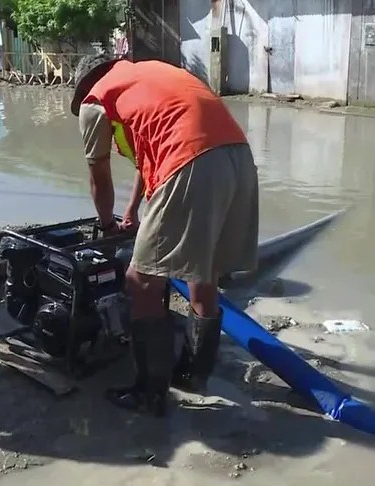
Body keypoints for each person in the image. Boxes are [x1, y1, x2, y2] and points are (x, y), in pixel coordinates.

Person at [71, 54, 259, 417]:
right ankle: (192, 374)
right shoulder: (149, 76)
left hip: (191, 161)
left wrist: (108, 225)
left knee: (140, 282)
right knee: (202, 273)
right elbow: (151, 159)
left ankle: (149, 393)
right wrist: (130, 214)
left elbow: (99, 176)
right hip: (237, 158)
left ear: (83, 89)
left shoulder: (95, 101)